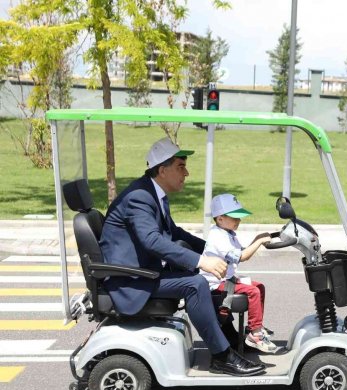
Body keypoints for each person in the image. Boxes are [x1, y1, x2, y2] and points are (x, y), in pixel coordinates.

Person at [98, 137, 265, 376]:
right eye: (180, 166)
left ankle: (228, 338)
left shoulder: (153, 193)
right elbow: (152, 240)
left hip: (143, 271)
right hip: (132, 281)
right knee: (196, 283)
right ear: (162, 169)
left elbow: (173, 233)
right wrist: (202, 261)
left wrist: (210, 249)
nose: (186, 173)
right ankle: (222, 356)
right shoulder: (140, 197)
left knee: (196, 274)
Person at [200, 193, 278, 353]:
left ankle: (255, 326)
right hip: (217, 284)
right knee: (253, 292)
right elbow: (242, 257)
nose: (238, 221)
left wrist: (257, 239)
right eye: (234, 218)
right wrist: (259, 242)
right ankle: (255, 335)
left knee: (260, 287)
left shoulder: (227, 233)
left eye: (239, 217)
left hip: (227, 279)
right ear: (220, 218)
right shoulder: (218, 237)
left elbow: (241, 251)